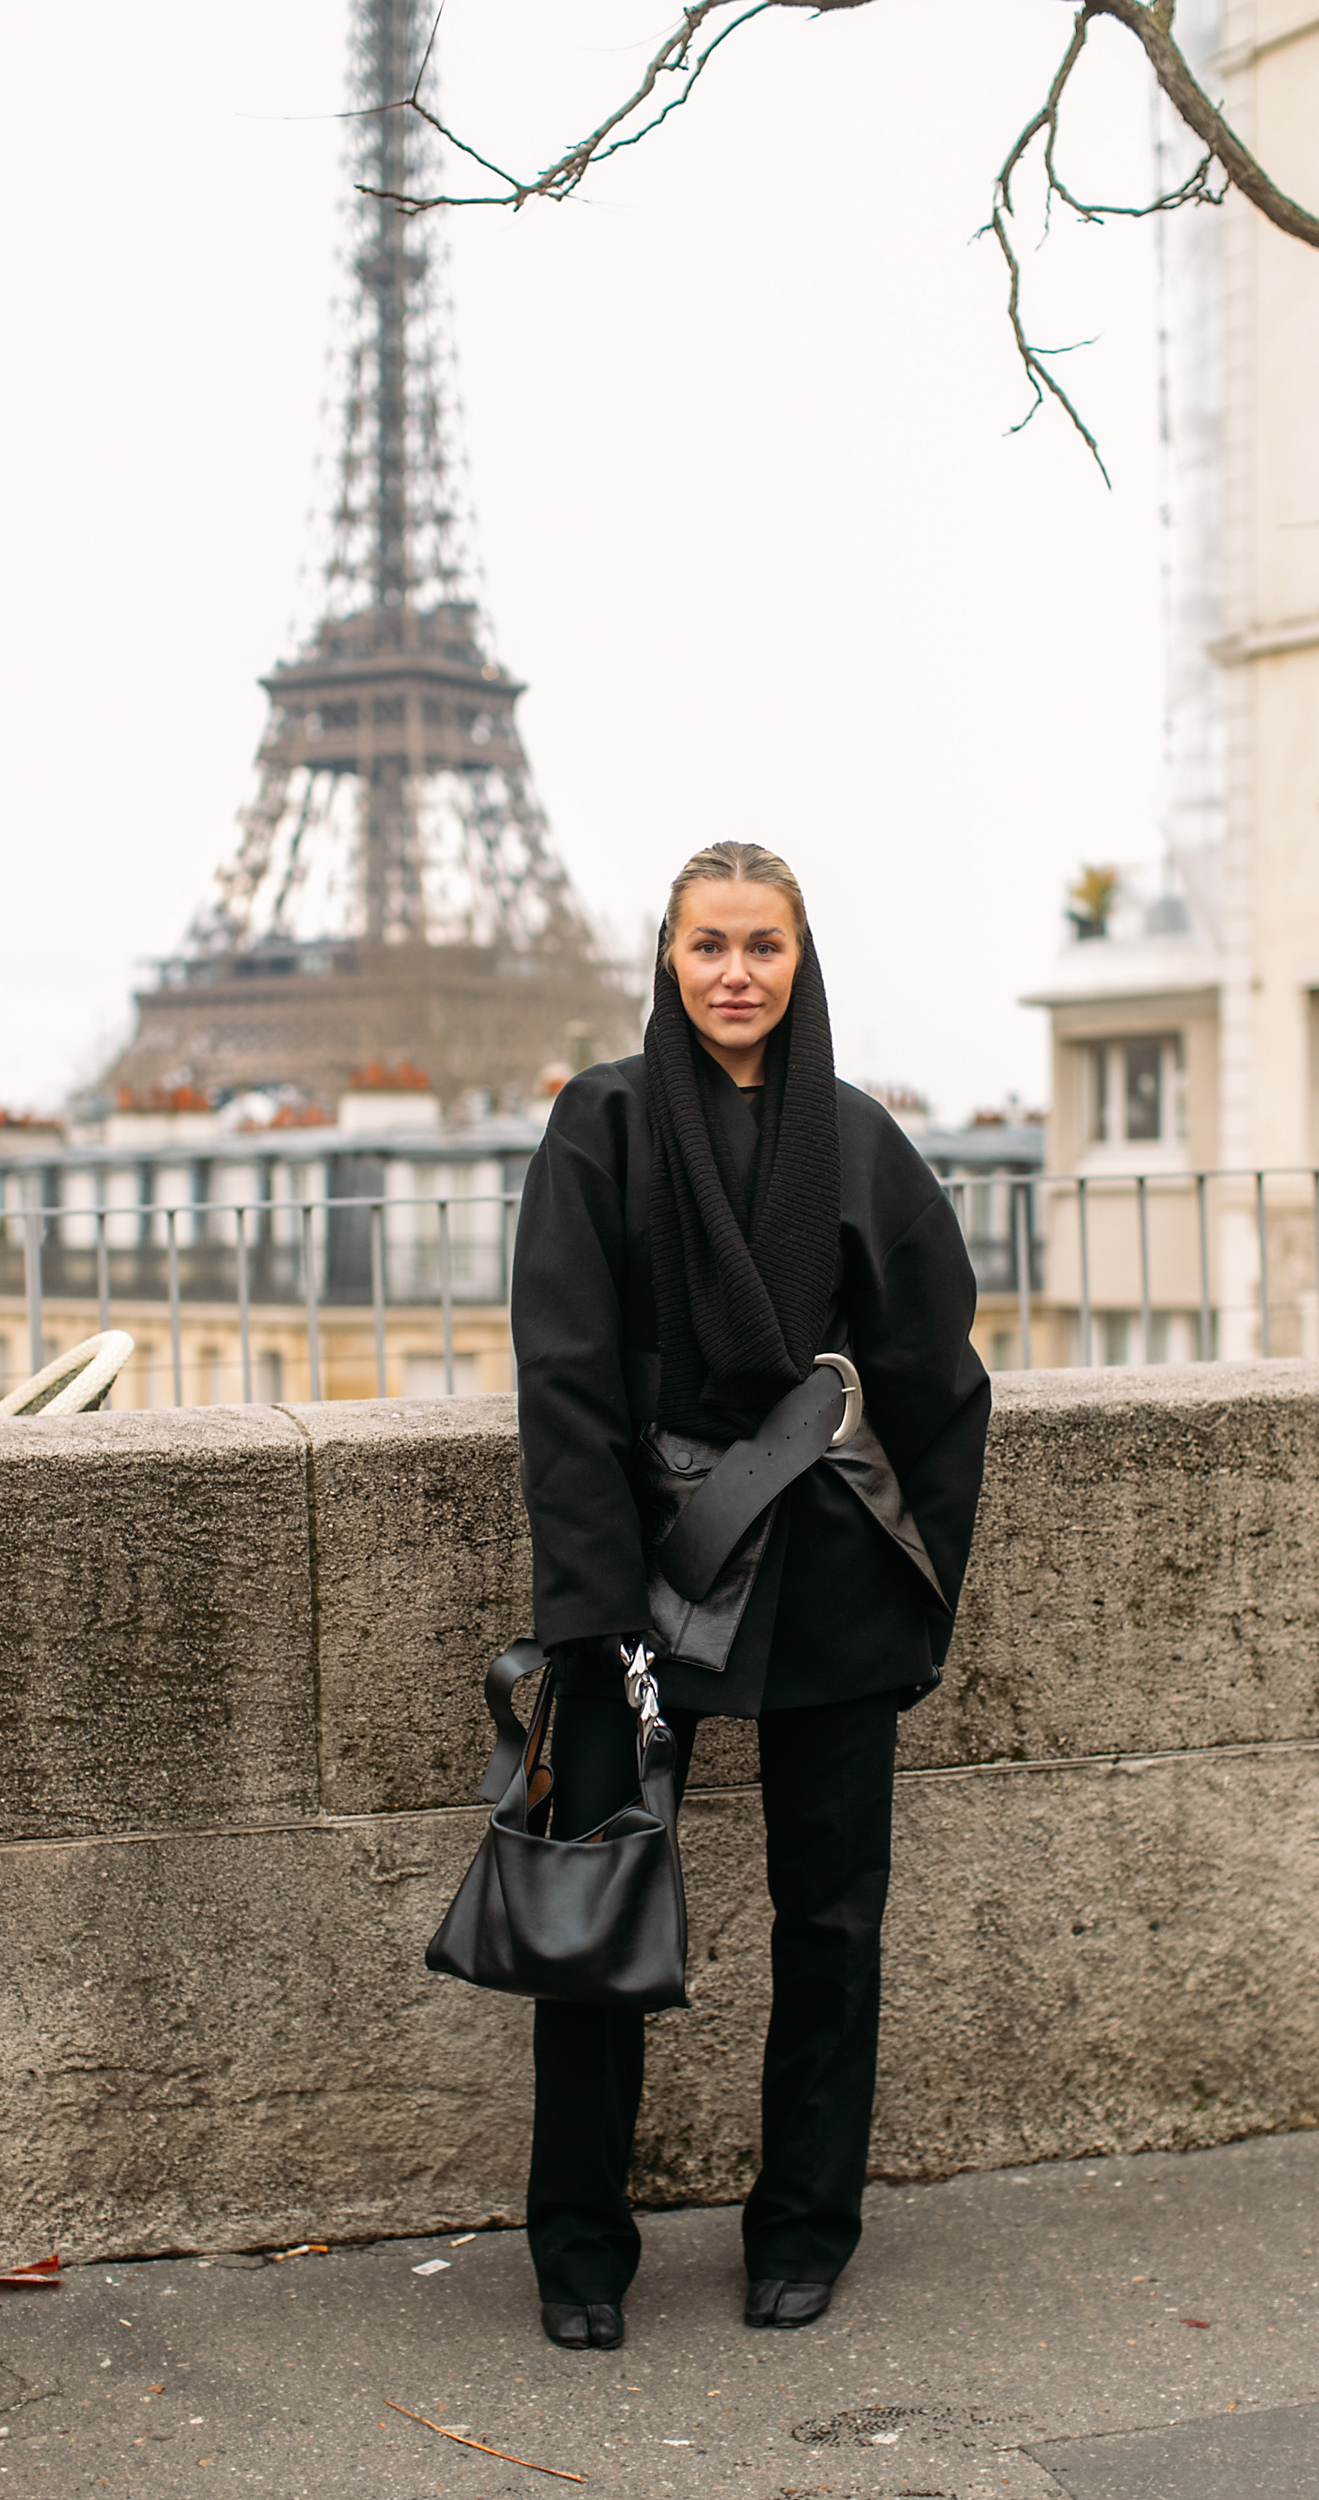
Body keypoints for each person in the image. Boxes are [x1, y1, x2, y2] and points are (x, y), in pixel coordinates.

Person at [510, 840, 990, 2351]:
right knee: (593, 1920)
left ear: (801, 960)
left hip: (837, 1579)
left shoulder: (858, 1142)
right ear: (668, 955)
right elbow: (566, 1381)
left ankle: (804, 2224)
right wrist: (591, 1605)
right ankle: (580, 2246)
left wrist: (930, 1591)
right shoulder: (597, 1127)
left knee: (831, 1923)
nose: (735, 973)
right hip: (639, 1579)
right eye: (709, 944)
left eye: (762, 947)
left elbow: (935, 1379)